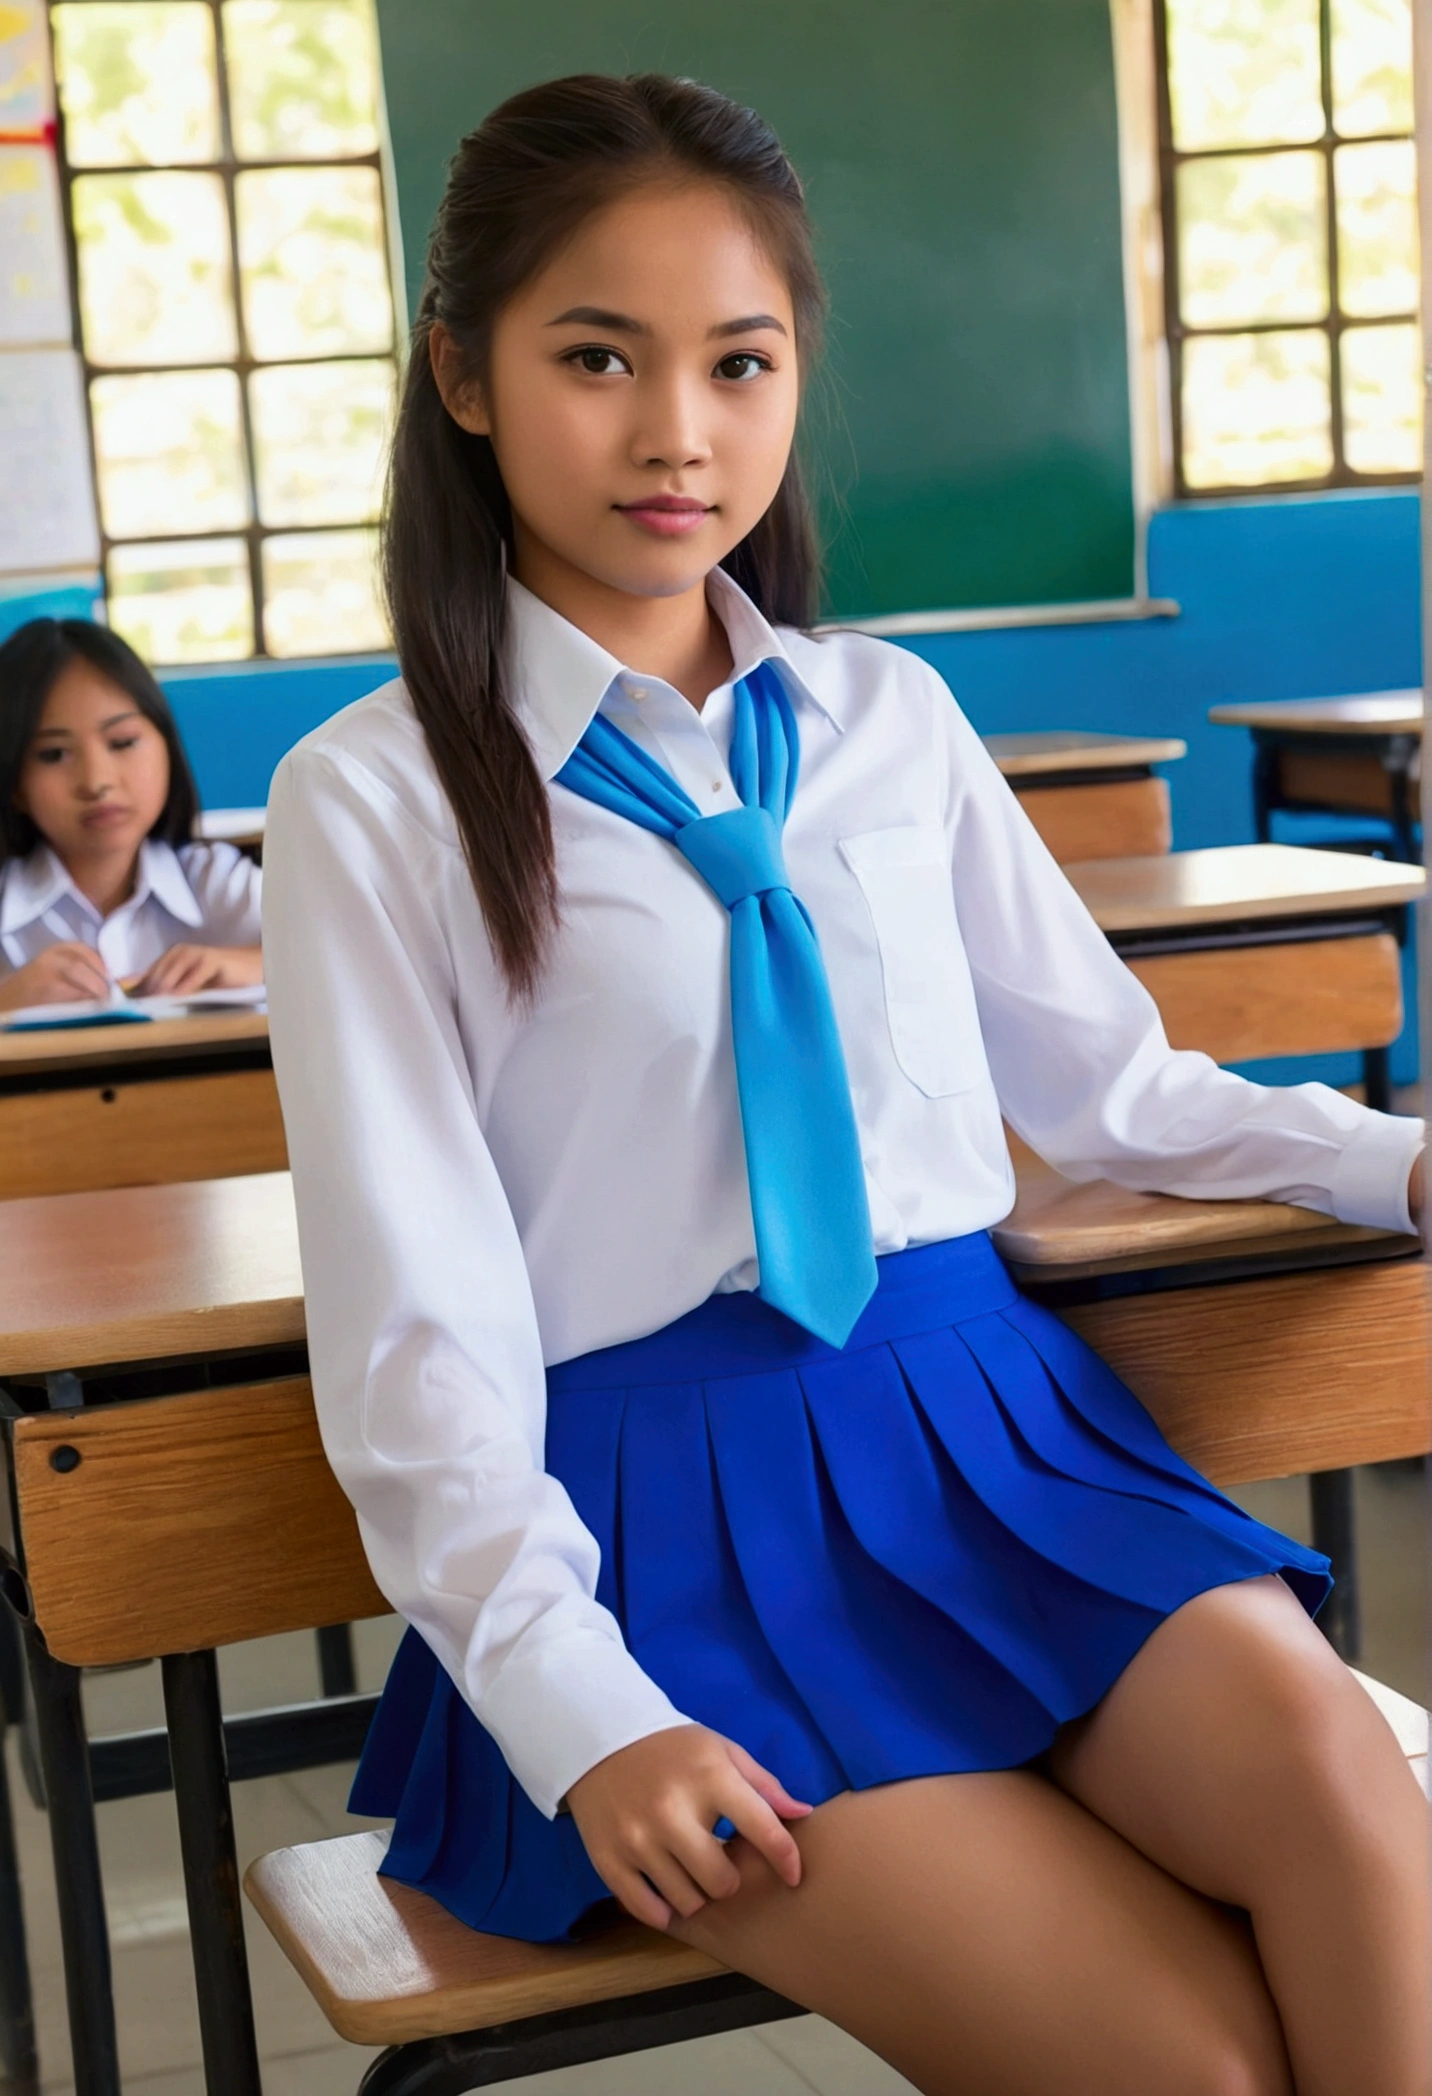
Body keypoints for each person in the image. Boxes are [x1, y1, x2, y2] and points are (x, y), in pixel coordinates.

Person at [263, 74, 1428, 2096]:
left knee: (1347, 1804)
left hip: (992, 1441)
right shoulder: (371, 803)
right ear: (460, 373)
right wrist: (579, 1709)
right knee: (1194, 2065)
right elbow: (418, 1335)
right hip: (658, 1534)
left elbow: (1116, 1089)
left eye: (737, 360)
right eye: (594, 358)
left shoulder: (881, 715)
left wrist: (1390, 1163)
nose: (673, 432)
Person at [0, 618, 262, 1010]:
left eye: (122, 742)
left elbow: (348, 952)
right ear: (14, 782)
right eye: (53, 754)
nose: (96, 782)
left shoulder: (216, 882)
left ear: (167, 748)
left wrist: (254, 965)